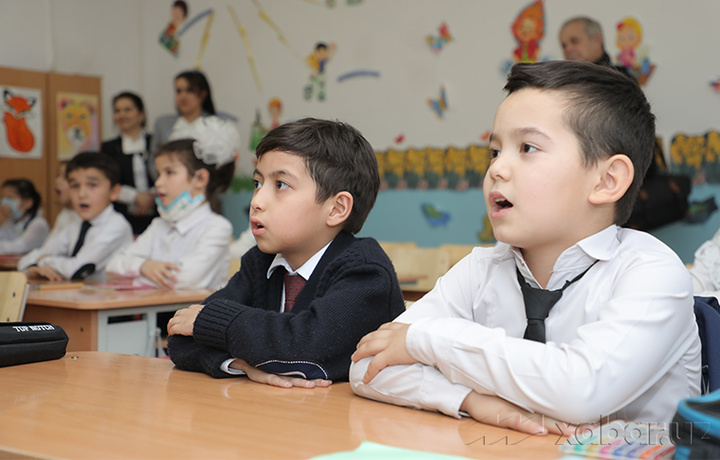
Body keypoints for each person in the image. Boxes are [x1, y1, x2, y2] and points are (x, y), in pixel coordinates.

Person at [350, 61, 701, 435]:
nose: (497, 169)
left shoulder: (650, 272)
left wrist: (430, 340)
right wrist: (473, 402)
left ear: (606, 181)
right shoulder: (482, 269)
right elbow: (366, 366)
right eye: (495, 151)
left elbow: (581, 391)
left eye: (528, 148)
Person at [166, 117, 405, 387]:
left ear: (337, 209)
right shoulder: (260, 263)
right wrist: (241, 364)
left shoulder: (366, 271)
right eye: (257, 183)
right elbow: (181, 337)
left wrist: (215, 324)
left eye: (280, 185)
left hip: (351, 423)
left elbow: (306, 348)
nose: (256, 201)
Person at [107, 117, 236, 290]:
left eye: (169, 173)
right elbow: (112, 267)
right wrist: (144, 266)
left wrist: (134, 275)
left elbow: (182, 281)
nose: (158, 183)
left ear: (200, 179)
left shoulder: (217, 228)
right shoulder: (159, 225)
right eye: (159, 174)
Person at [18, 152, 133, 281]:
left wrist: (44, 262)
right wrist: (33, 267)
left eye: (92, 185)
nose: (82, 194)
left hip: (108, 298)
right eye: (75, 186)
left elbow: (77, 269)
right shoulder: (75, 224)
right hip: (78, 296)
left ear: (114, 192)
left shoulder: (116, 226)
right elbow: (27, 260)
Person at [151, 70, 239, 177]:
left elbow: (225, 163)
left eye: (189, 90)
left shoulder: (217, 124)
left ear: (203, 94)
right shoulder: (163, 124)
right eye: (178, 91)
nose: (183, 96)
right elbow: (153, 159)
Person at [101, 91, 156, 235]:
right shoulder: (108, 148)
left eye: (127, 109)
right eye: (117, 111)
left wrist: (150, 197)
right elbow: (106, 181)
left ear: (141, 114)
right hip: (121, 218)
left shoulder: (156, 142)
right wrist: (136, 197)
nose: (122, 115)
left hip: (158, 214)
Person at [0, 178, 49, 255]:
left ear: (28, 203)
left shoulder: (39, 224)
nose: (5, 203)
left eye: (10, 198)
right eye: (3, 198)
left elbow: (20, 247)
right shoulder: (7, 222)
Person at [48, 160, 81, 240]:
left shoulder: (86, 216)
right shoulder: (64, 214)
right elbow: (50, 247)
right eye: (57, 176)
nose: (57, 181)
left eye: (65, 177)